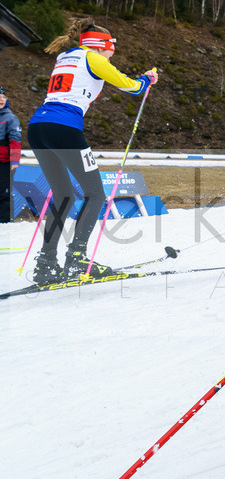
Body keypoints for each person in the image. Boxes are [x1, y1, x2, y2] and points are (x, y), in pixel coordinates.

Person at [27, 18, 158, 283]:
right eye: (111, 49)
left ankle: (46, 263)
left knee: (63, 195)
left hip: (38, 127)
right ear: (101, 45)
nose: (112, 54)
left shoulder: (65, 56)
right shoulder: (94, 58)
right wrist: (146, 79)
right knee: (95, 194)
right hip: (63, 129)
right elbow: (130, 86)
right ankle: (76, 259)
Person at [0, 86, 21, 223]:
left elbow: (15, 140)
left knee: (4, 193)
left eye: (3, 97)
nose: (1, 100)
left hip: (4, 163)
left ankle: (5, 223)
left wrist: (14, 161)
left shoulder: (10, 118)